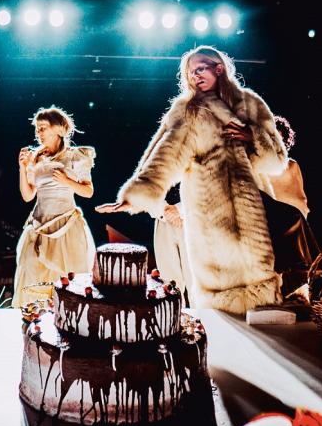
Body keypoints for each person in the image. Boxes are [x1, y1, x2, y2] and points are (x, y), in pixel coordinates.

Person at [97, 45, 288, 315]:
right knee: (220, 298)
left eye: (200, 69)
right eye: (190, 73)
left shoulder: (250, 104)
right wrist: (137, 196)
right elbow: (165, 153)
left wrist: (252, 135)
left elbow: (276, 160)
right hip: (210, 213)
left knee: (261, 293)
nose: (195, 76)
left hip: (252, 212)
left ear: (218, 68)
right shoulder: (189, 110)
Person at [12, 106, 96, 308]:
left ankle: (64, 319)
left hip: (66, 226)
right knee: (33, 273)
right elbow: (28, 195)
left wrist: (67, 181)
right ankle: (35, 318)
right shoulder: (36, 158)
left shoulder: (75, 156)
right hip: (39, 225)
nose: (38, 133)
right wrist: (23, 168)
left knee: (65, 277)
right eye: (37, 129)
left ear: (58, 129)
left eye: (43, 128)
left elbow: (88, 191)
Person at [260, 116, 322, 294]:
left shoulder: (292, 165)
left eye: (279, 139)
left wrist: (298, 215)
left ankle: (296, 284)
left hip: (291, 220)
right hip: (268, 218)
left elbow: (301, 198)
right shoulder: (257, 163)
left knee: (296, 229)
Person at [152, 184, 193, 306]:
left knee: (197, 284)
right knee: (169, 284)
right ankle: (175, 317)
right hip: (163, 222)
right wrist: (165, 211)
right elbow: (145, 186)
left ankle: (203, 318)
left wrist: (180, 210)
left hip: (194, 221)